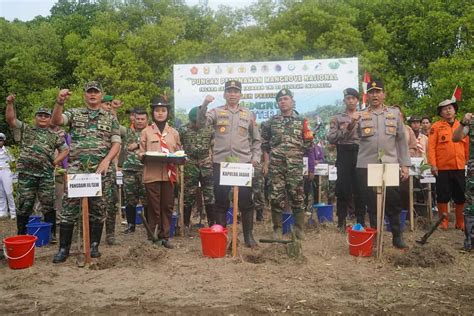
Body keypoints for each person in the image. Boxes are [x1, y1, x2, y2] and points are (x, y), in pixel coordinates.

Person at [51, 81, 121, 263]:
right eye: (89, 92)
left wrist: (106, 160)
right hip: (77, 169)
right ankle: (64, 249)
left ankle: (94, 246)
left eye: (95, 92)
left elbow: (116, 142)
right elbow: (56, 121)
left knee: (98, 208)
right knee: (68, 207)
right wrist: (59, 102)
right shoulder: (75, 113)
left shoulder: (110, 117)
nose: (92, 95)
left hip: (99, 169)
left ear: (101, 94)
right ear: (85, 95)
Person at [346, 79, 410, 248]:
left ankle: (397, 237)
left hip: (389, 164)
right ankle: (376, 238)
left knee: (393, 201)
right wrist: (352, 122)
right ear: (367, 96)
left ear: (384, 94)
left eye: (378, 91)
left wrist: (404, 165)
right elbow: (346, 137)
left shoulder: (394, 113)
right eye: (371, 92)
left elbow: (402, 140)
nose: (375, 95)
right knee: (372, 204)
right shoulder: (360, 115)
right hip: (367, 165)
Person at [197, 80, 261, 247]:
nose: (232, 94)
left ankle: (248, 236)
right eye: (229, 91)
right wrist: (205, 103)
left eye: (236, 91)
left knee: (246, 202)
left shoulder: (248, 115)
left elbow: (256, 140)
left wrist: (256, 157)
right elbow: (200, 122)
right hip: (222, 163)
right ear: (225, 94)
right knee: (221, 202)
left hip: (243, 164)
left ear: (240, 95)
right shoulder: (217, 112)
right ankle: (221, 236)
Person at [6, 96, 69, 240]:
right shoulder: (26, 129)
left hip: (45, 175)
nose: (43, 118)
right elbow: (11, 120)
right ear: (36, 117)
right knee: (24, 203)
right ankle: (21, 233)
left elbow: (65, 150)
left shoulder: (53, 135)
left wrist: (55, 162)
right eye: (40, 115)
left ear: (49, 119)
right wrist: (10, 103)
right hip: (27, 174)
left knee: (48, 203)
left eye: (46, 116)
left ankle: (51, 234)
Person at [261, 88, 314, 240]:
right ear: (277, 103)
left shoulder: (302, 121)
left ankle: (299, 230)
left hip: (295, 166)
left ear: (292, 101)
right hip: (276, 166)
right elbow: (265, 144)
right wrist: (267, 161)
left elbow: (309, 142)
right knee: (276, 197)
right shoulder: (270, 122)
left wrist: (295, 153)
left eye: (285, 99)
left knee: (297, 197)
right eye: (280, 100)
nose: (283, 102)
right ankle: (277, 229)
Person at [138, 96, 180, 249]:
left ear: (168, 112)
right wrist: (143, 156)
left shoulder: (174, 132)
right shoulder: (146, 132)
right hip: (152, 174)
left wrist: (179, 157)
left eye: (163, 110)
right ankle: (152, 236)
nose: (160, 113)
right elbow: (141, 153)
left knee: (167, 206)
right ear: (153, 113)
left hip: (169, 175)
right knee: (153, 206)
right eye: (157, 110)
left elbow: (178, 151)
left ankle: (165, 236)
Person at [428, 99, 468, 230]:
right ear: (441, 113)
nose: (448, 111)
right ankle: (443, 222)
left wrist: (465, 162)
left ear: (455, 110)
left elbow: (466, 146)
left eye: (450, 108)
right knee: (443, 195)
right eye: (444, 109)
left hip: (459, 166)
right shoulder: (436, 127)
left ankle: (460, 222)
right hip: (443, 167)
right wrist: (433, 164)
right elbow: (431, 147)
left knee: (460, 195)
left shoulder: (463, 126)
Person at [327, 88, 363, 229]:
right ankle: (341, 221)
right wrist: (348, 127)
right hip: (344, 152)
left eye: (353, 98)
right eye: (348, 98)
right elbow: (331, 137)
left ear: (357, 100)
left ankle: (360, 221)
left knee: (360, 188)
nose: (351, 101)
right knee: (342, 188)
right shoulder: (337, 118)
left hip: (360, 152)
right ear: (344, 100)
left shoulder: (364, 116)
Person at [178, 104, 215, 233]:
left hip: (206, 165)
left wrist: (213, 159)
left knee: (210, 194)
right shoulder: (183, 130)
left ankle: (212, 224)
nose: (197, 124)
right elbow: (177, 146)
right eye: (194, 122)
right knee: (188, 195)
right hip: (190, 164)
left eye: (199, 122)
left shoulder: (210, 129)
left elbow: (215, 146)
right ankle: (186, 224)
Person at [122, 108, 148, 234]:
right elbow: (114, 124)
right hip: (129, 170)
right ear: (134, 119)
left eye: (143, 119)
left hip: (145, 170)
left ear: (147, 120)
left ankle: (149, 225)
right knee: (130, 199)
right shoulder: (128, 132)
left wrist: (137, 145)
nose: (140, 121)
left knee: (147, 199)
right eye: (138, 119)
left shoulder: (150, 133)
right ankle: (131, 225)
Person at [453, 111, 474, 249]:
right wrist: (463, 122)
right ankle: (470, 243)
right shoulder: (470, 123)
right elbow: (455, 137)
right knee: (471, 205)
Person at [0, 133, 16, 219]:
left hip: (6, 171)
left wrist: (12, 172)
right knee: (1, 193)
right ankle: (3, 212)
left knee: (9, 192)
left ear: (3, 141)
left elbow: (13, 162)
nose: (0, 142)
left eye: (1, 140)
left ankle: (13, 212)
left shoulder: (7, 150)